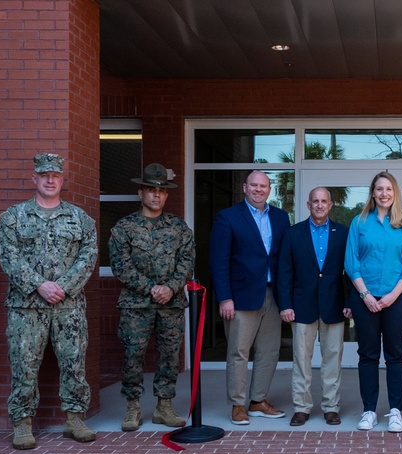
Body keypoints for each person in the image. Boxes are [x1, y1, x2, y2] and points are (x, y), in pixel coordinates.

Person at [0, 153, 98, 450]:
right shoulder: (13, 218)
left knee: (74, 363)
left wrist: (63, 287)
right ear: (35, 179)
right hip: (26, 307)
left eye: (55, 175)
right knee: (24, 365)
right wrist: (39, 285)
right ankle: (23, 423)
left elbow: (88, 257)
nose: (50, 180)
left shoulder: (80, 219)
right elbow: (8, 257)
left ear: (62, 180)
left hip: (69, 306)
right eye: (44, 176)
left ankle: (75, 419)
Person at [109, 164, 194, 431]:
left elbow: (187, 260)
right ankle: (132, 407)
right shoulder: (124, 228)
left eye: (161, 191)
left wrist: (170, 287)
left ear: (166, 195)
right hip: (136, 305)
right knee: (133, 355)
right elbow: (120, 265)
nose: (156, 195)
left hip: (172, 303)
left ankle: (164, 406)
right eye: (151, 190)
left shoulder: (179, 227)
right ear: (140, 193)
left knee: (170, 355)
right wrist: (150, 288)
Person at [209, 171, 290, 425]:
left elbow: (284, 260)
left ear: (269, 189)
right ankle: (237, 404)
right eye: (253, 185)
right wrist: (224, 298)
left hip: (272, 294)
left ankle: (257, 401)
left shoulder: (280, 217)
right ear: (244, 188)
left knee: (269, 351)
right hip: (240, 297)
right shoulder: (228, 217)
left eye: (263, 186)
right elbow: (218, 261)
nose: (258, 190)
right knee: (238, 352)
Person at [345, 171, 402, 432]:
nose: (384, 193)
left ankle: (395, 411)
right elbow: (351, 262)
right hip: (364, 298)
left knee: (396, 355)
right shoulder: (359, 222)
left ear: (395, 192)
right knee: (367, 355)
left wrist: (391, 296)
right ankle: (369, 411)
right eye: (379, 189)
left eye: (388, 189)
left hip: (396, 298)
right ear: (372, 193)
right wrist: (365, 295)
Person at [277, 187, 350, 426]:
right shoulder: (293, 233)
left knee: (332, 359)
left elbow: (350, 272)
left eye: (324, 201)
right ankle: (301, 407)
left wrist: (350, 302)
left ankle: (331, 407)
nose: (319, 205)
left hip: (334, 305)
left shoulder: (343, 233)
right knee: (301, 360)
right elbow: (284, 272)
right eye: (315, 201)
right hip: (301, 306)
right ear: (308, 205)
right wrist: (285, 304)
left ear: (331, 205)